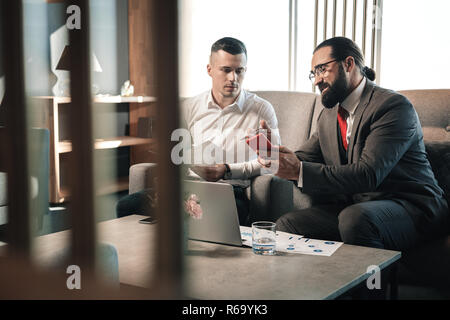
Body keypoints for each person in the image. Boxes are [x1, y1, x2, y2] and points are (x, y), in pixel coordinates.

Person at [261, 37, 448, 251]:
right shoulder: (328, 116)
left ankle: (372, 285)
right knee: (288, 224)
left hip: (412, 207)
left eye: (322, 69)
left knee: (355, 218)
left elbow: (368, 174)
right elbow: (304, 158)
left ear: (348, 64)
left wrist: (299, 171)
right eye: (313, 74)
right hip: (358, 207)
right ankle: (313, 285)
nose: (316, 81)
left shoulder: (393, 107)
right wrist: (278, 156)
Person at [117, 37, 281, 226]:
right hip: (187, 185)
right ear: (209, 70)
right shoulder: (190, 107)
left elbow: (272, 164)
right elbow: (175, 156)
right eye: (226, 70)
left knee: (208, 217)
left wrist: (227, 170)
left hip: (230, 190)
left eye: (239, 71)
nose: (233, 78)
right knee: (126, 206)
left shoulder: (260, 110)